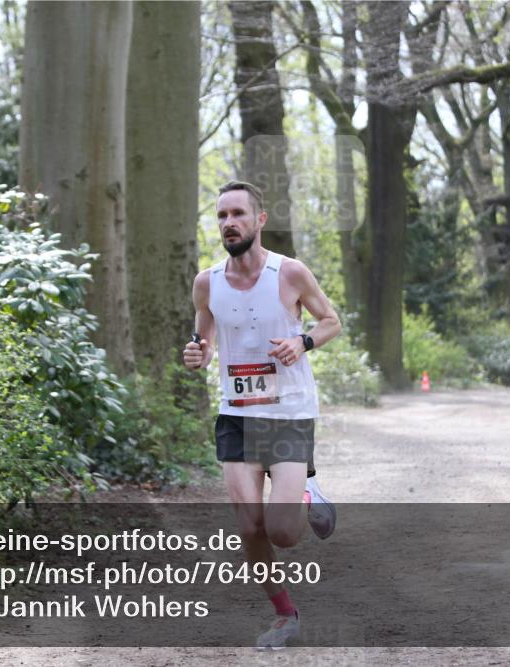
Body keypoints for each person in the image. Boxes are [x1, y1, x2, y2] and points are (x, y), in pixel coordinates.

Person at [183, 180, 342, 650]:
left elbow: (330, 320)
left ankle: (308, 496)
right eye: (222, 216)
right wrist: (198, 355)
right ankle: (284, 614)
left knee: (283, 533)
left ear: (259, 220)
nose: (229, 223)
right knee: (249, 526)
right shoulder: (206, 282)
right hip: (236, 413)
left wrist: (302, 341)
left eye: (238, 214)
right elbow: (202, 341)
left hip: (288, 413)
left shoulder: (290, 273)